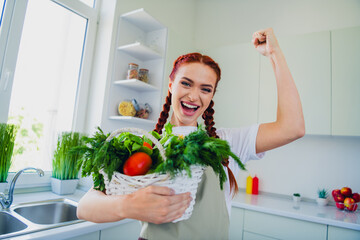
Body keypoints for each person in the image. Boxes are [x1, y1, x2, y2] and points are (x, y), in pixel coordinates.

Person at [77, 28, 305, 240]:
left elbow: (293, 127)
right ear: (171, 85)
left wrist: (274, 54)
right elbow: (85, 207)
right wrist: (127, 205)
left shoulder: (225, 143)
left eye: (206, 89)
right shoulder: (144, 147)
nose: (194, 96)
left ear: (212, 96)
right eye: (186, 84)